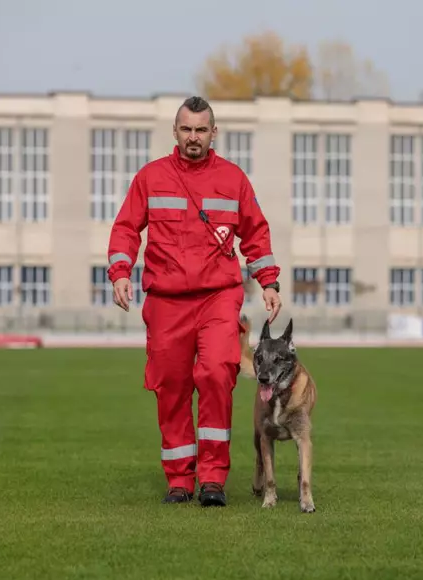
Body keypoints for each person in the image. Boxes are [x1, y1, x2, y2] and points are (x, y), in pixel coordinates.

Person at [106, 95, 282, 507]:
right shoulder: (150, 178)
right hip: (166, 302)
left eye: (201, 130)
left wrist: (269, 282)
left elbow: (256, 233)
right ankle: (179, 480)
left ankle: (213, 479)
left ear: (213, 133)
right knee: (172, 388)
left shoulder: (234, 180)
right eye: (186, 129)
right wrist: (119, 273)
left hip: (218, 298)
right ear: (175, 131)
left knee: (218, 374)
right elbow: (126, 229)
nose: (193, 138)